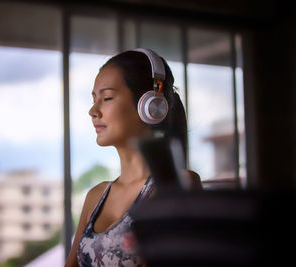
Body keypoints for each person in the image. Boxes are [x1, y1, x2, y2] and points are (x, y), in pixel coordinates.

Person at [65, 49, 201, 267]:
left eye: (107, 97)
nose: (93, 110)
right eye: (94, 99)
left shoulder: (178, 185)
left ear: (150, 106)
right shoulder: (95, 196)